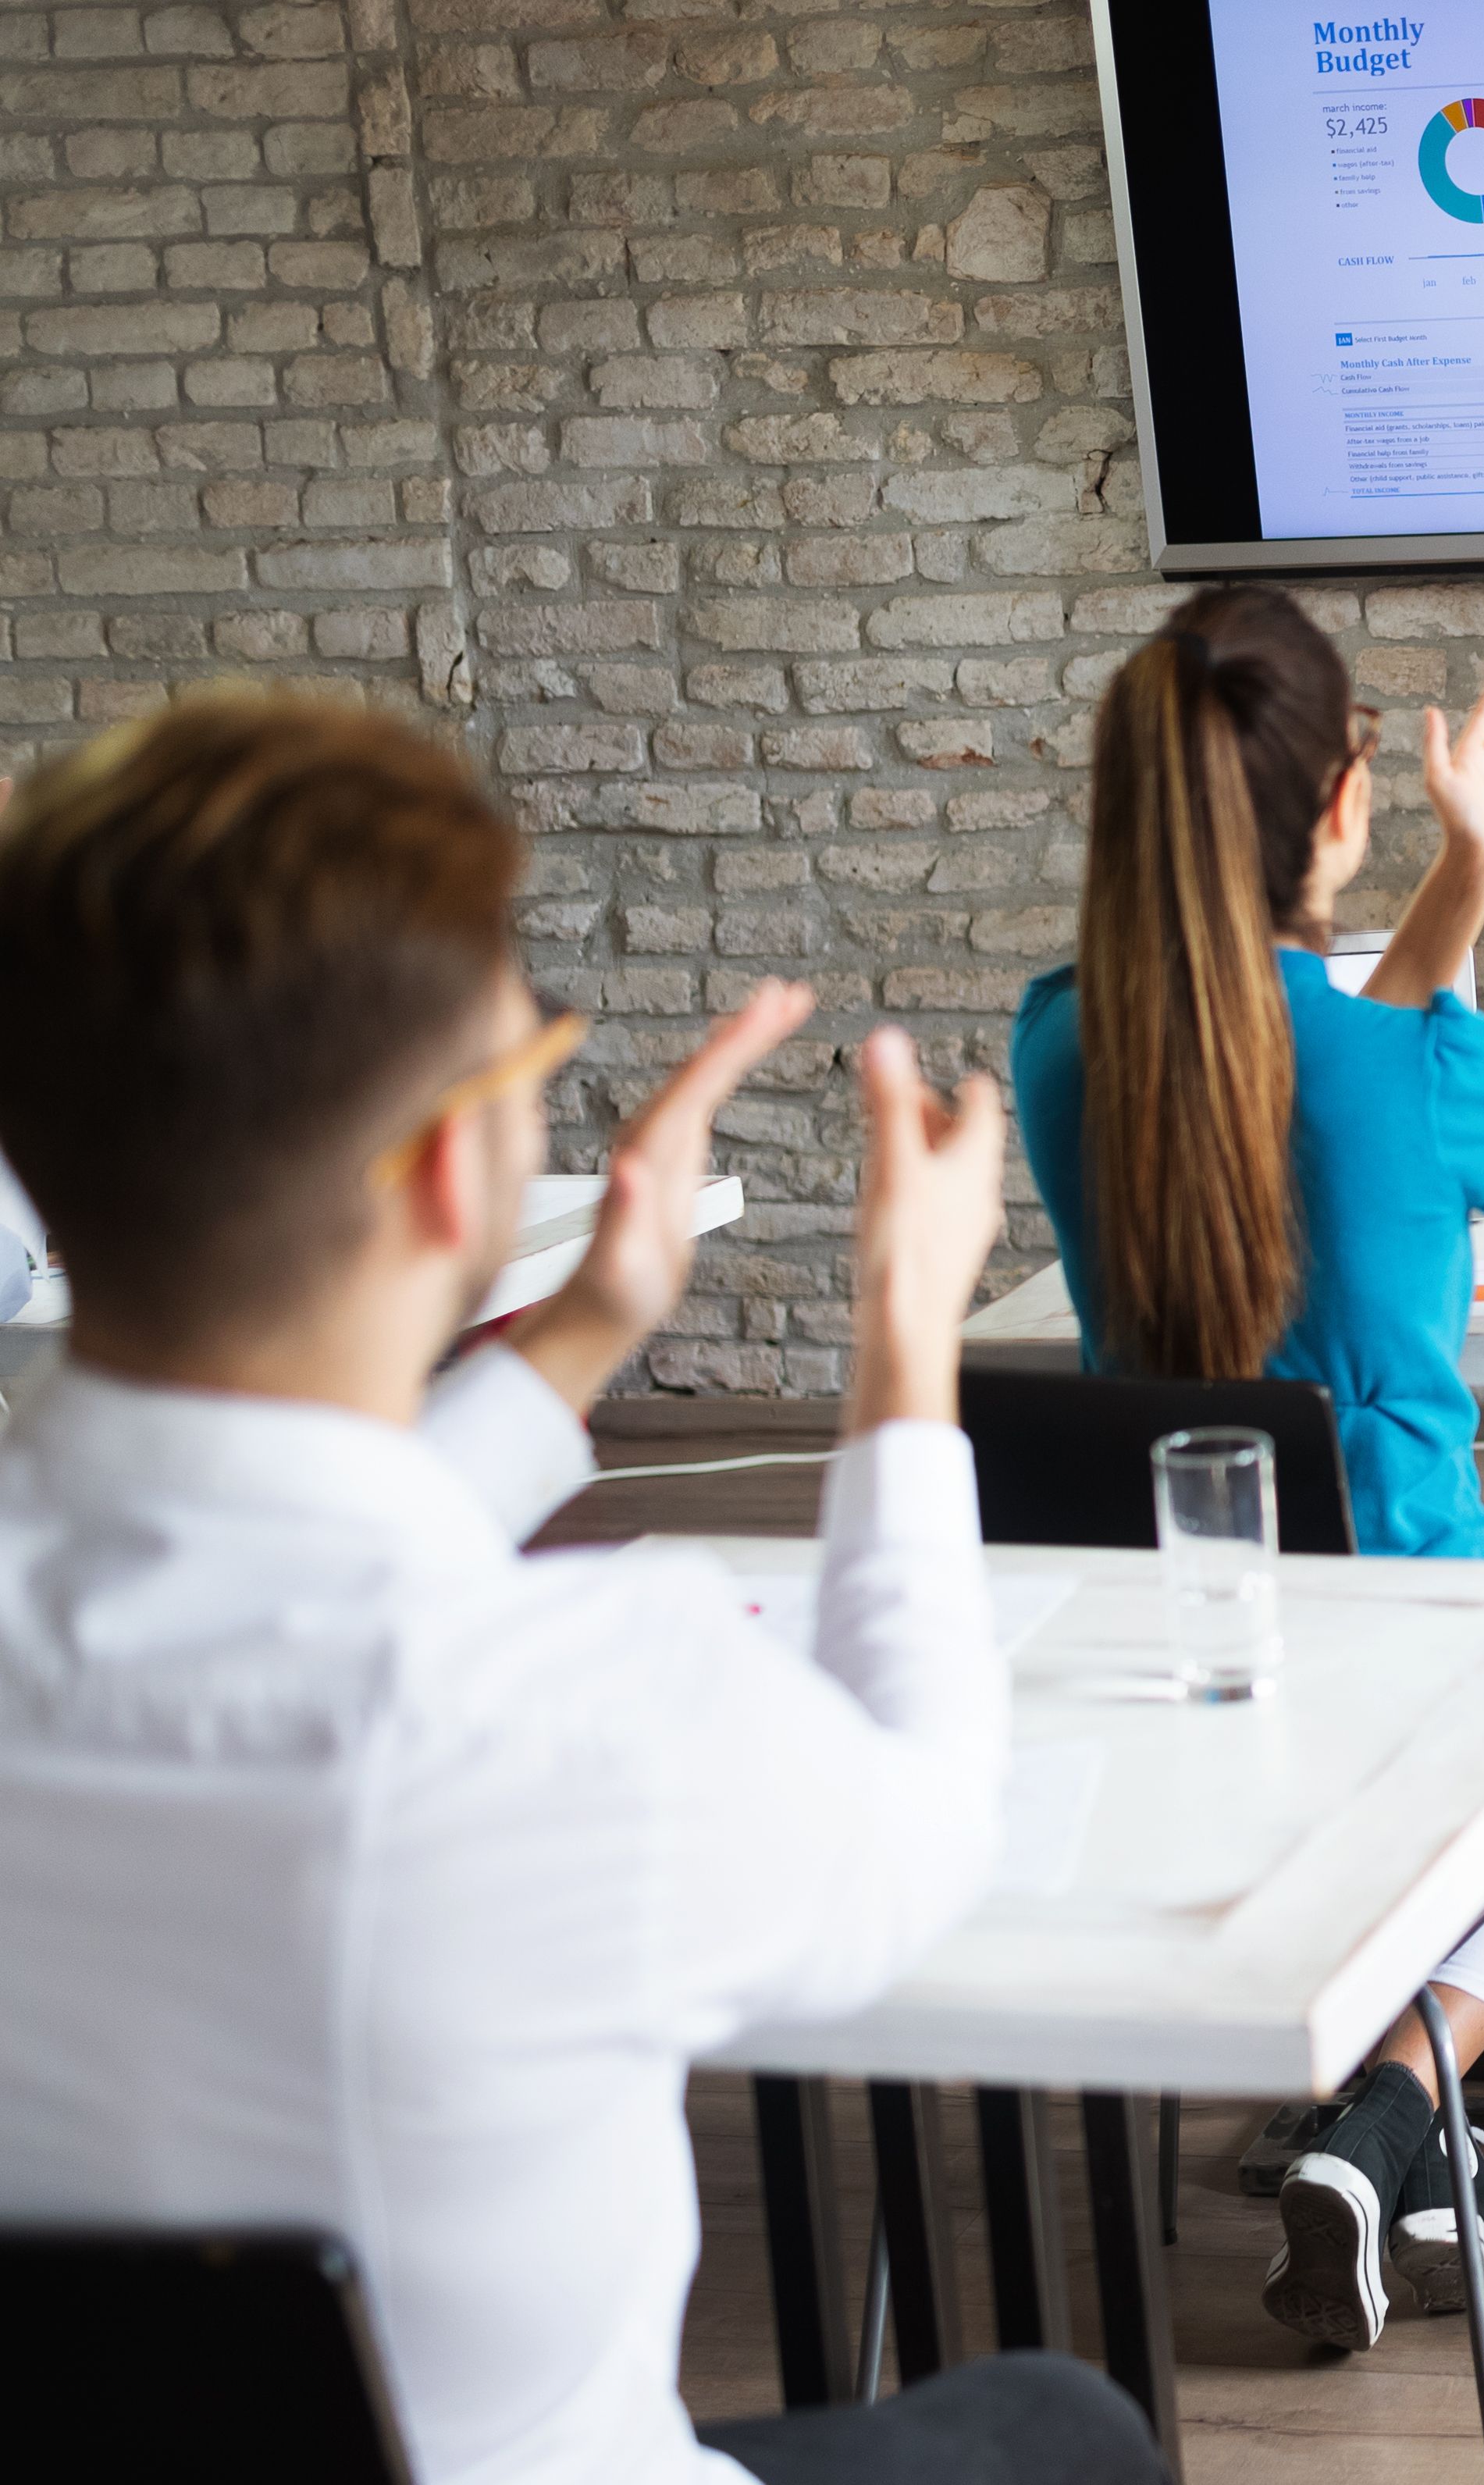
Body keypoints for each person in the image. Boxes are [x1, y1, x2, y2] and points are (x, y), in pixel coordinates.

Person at [0, 700, 1123, 2485]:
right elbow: (920, 1832)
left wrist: (593, 1321)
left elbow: (267, 1558)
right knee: (1056, 2420)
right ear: (461, 1165)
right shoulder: (585, 1705)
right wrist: (910, 1332)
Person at [1010, 584, 1484, 2349]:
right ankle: (1392, 2114)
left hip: (1179, 1669)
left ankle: (1391, 2132)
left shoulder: (1057, 1042)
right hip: (1417, 1655)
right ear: (1341, 800)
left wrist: (1457, 897)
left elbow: (1293, 1068)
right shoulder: (1424, 1064)